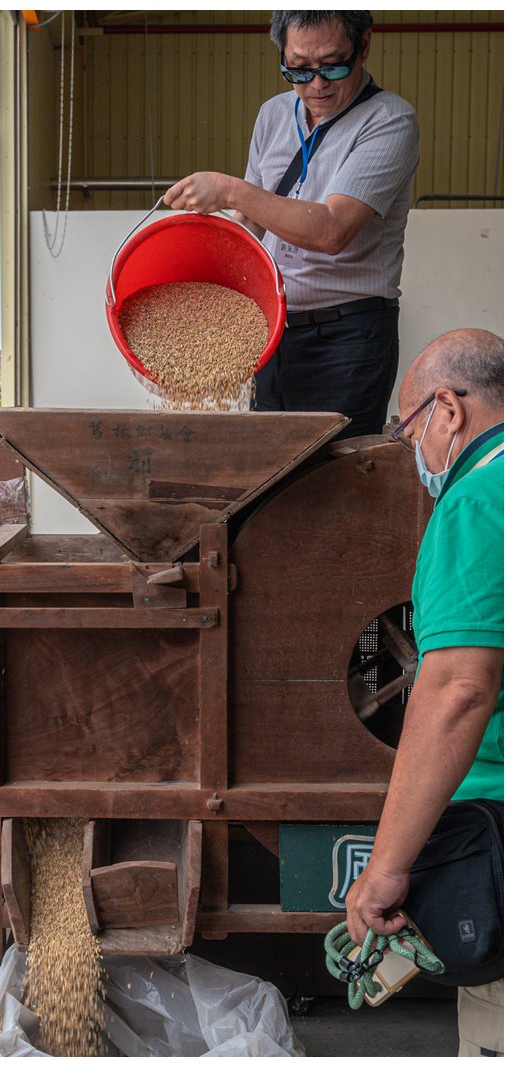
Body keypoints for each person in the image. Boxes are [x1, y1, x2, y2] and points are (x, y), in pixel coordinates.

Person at [344, 329, 503, 1056]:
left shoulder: (476, 502)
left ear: (447, 408)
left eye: (407, 428)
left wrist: (383, 869)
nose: (414, 455)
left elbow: (458, 691)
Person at [164, 11, 419, 438]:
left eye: (333, 66)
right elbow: (249, 225)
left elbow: (332, 230)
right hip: (270, 331)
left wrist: (229, 190)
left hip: (347, 339)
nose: (316, 85)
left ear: (365, 46)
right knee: (267, 475)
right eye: (298, 69)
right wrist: (198, 288)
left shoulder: (389, 120)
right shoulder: (273, 115)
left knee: (331, 481)